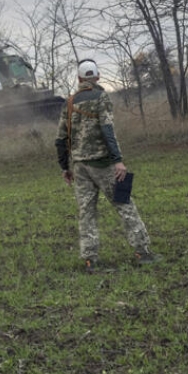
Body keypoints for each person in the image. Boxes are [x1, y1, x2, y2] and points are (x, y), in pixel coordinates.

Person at [55, 60, 161, 271]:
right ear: (98, 76)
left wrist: (65, 167)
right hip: (103, 164)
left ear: (79, 79)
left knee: (87, 213)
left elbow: (60, 139)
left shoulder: (69, 102)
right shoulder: (102, 97)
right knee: (125, 204)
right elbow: (107, 130)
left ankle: (90, 260)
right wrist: (118, 160)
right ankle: (143, 252)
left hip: (79, 167)